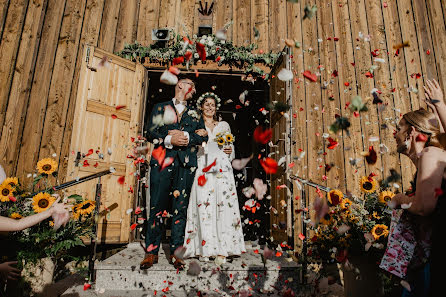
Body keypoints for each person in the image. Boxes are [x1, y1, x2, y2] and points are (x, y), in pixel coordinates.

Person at [140, 78, 208, 270]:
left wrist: (187, 137)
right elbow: (150, 132)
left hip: (186, 166)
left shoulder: (195, 113)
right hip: (162, 162)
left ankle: (177, 254)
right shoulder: (160, 107)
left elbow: (205, 137)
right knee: (156, 207)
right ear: (180, 85)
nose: (194, 90)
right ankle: (151, 253)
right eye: (191, 86)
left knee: (181, 209)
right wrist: (169, 139)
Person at [183, 92, 245, 263]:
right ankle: (205, 248)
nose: (210, 107)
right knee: (204, 207)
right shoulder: (196, 125)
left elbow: (230, 147)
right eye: (207, 104)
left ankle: (224, 247)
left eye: (213, 105)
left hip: (222, 169)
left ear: (216, 108)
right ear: (201, 107)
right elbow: (189, 149)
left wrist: (229, 150)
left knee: (223, 206)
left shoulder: (224, 126)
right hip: (204, 167)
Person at [390, 107, 446, 297]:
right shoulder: (428, 156)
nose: (395, 134)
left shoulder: (431, 153)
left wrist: (400, 199)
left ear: (412, 131)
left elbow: (424, 207)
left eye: (399, 128)